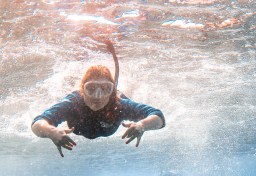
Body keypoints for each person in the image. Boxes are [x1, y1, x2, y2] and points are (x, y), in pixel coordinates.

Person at [31, 41, 165, 157]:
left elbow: (158, 117)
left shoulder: (119, 104)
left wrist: (142, 125)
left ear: (111, 91)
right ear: (83, 89)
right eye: (91, 88)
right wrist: (51, 132)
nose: (98, 96)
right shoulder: (73, 103)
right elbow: (38, 123)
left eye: (106, 88)